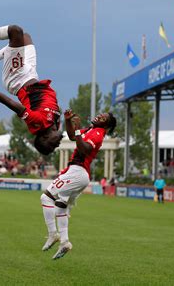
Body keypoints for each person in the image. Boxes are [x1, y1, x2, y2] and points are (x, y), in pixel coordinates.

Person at [0, 11, 62, 155]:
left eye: (52, 145)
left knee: (16, 31)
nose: (57, 145)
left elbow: (10, 103)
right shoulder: (55, 124)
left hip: (17, 79)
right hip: (31, 74)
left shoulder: (37, 122)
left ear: (45, 138)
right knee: (25, 37)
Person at [40, 109, 116, 260]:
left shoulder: (98, 133)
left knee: (46, 198)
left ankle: (52, 234)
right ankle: (64, 242)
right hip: (77, 172)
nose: (100, 115)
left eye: (103, 117)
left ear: (106, 125)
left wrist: (79, 131)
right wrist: (68, 120)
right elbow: (71, 135)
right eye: (101, 114)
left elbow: (85, 148)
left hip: (78, 172)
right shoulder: (91, 129)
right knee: (61, 205)